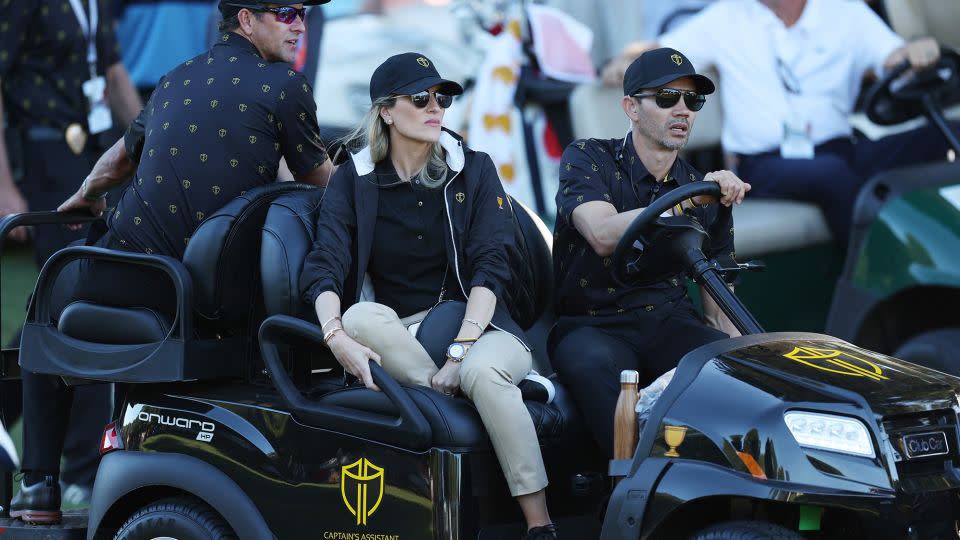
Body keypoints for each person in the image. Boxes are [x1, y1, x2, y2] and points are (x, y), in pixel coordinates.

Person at [11, 0, 332, 524]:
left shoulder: (176, 77)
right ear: (246, 19)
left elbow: (122, 155)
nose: (299, 23)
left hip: (125, 275)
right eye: (286, 12)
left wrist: (87, 192)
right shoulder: (285, 86)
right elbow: (323, 182)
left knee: (43, 303)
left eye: (303, 13)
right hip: (203, 296)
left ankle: (39, 485)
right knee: (50, 292)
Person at [300, 53, 558, 540]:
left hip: (484, 325)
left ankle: (539, 525)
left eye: (443, 97)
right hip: (405, 334)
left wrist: (460, 352)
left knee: (482, 371)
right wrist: (334, 337)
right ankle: (455, 394)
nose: (436, 107)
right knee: (357, 318)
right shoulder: (353, 181)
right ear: (386, 112)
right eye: (420, 98)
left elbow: (492, 265)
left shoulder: (474, 169)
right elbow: (324, 266)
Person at [600, 0, 951, 245]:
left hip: (841, 151)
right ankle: (878, 283)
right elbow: (659, 52)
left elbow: (894, 58)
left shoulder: (847, 13)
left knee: (945, 136)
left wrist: (915, 52)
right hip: (762, 164)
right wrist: (628, 61)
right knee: (832, 175)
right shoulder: (726, 16)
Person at [551, 48, 750, 458]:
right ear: (631, 107)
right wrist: (687, 202)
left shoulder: (700, 186)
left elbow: (718, 310)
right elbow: (603, 234)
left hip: (669, 320)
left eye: (692, 101)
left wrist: (748, 358)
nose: (683, 110)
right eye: (666, 98)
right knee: (589, 363)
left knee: (733, 372)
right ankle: (626, 496)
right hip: (594, 325)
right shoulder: (588, 157)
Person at [0, 0, 143, 506]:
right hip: (42, 155)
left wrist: (152, 138)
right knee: (71, 300)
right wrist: (4, 185)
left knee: (70, 300)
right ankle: (80, 468)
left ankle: (70, 461)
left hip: (93, 151)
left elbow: (113, 70)